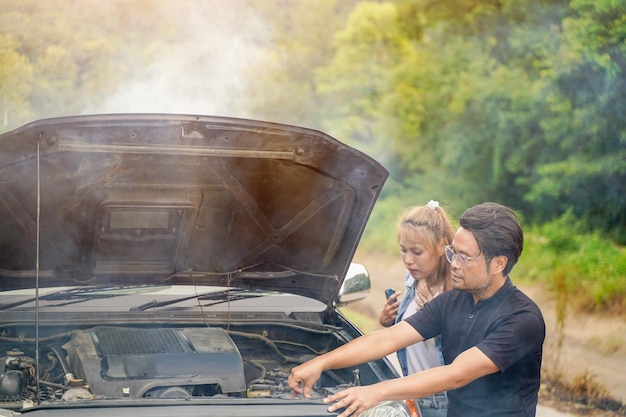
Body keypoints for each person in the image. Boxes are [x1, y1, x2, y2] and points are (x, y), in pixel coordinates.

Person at [288, 202, 546, 417]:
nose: (453, 264)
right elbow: (389, 338)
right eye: (452, 253)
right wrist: (321, 362)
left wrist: (376, 391)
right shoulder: (453, 301)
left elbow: (456, 374)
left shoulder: (522, 320)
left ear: (499, 263)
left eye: (464, 257)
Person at [378, 200, 454, 417]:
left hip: (440, 401)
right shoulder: (411, 280)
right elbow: (410, 334)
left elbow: (466, 352)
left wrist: (437, 319)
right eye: (403, 250)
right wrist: (388, 320)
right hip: (411, 395)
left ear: (442, 246)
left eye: (417, 252)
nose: (408, 260)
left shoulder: (455, 289)